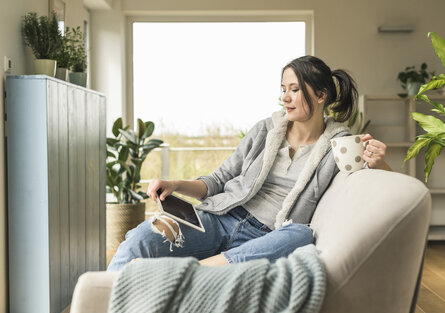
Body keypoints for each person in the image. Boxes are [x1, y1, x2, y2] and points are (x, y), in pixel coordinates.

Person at [107, 55, 392, 271]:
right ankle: (101, 310)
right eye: (283, 89)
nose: (285, 97)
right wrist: (174, 185)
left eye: (294, 89)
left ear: (321, 95)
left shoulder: (338, 146)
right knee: (141, 238)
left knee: (301, 236)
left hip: (266, 236)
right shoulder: (265, 130)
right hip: (220, 218)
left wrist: (378, 163)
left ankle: (201, 271)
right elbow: (219, 179)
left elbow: (369, 186)